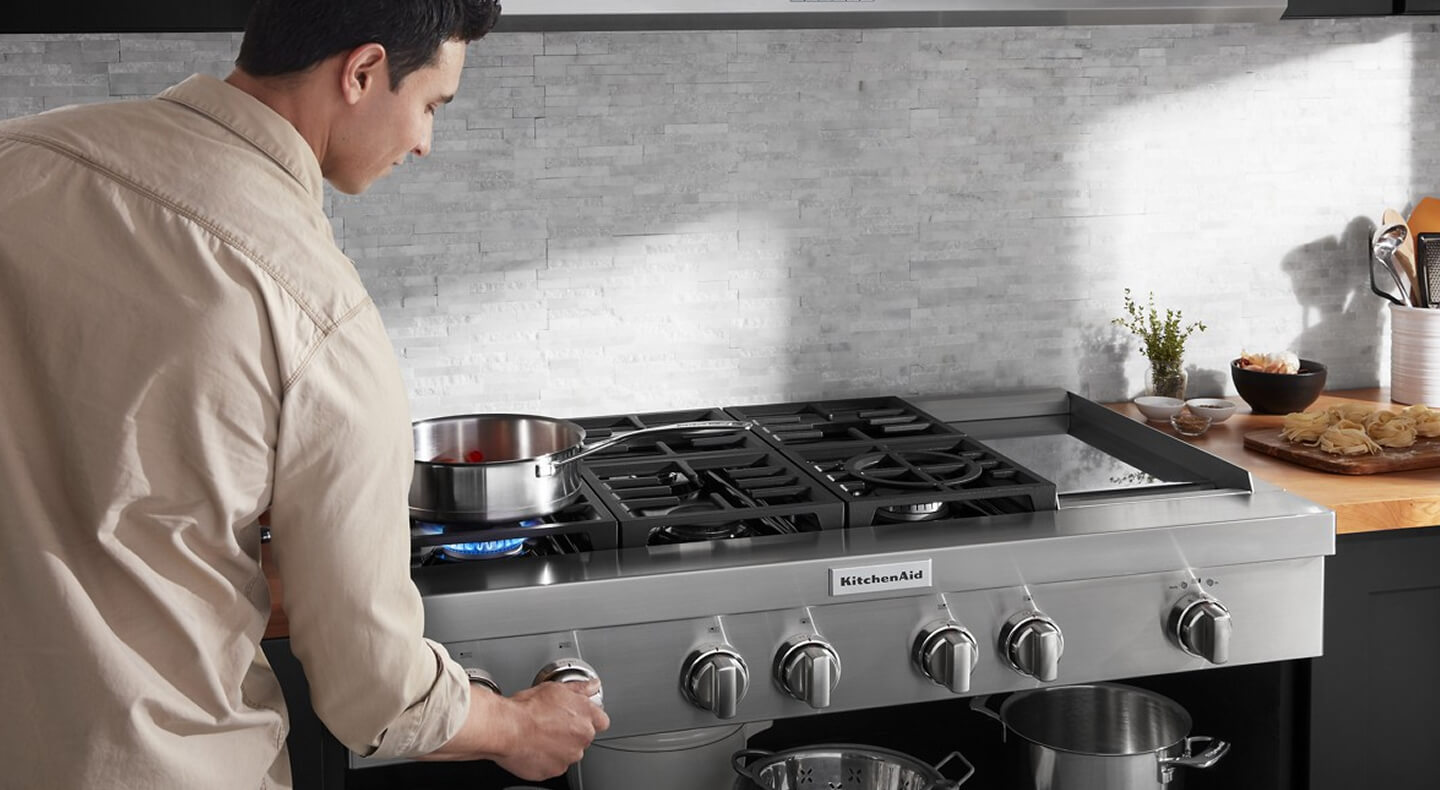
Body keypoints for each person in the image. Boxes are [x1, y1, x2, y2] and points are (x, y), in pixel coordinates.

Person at [0, 1, 609, 787]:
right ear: (361, 72)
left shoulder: (20, 156)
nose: (425, 142)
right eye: (429, 105)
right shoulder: (315, 312)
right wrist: (517, 726)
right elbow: (376, 692)